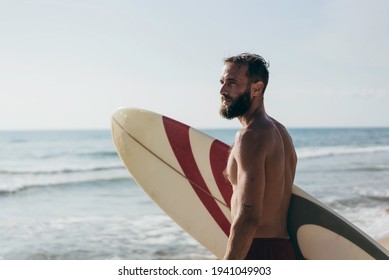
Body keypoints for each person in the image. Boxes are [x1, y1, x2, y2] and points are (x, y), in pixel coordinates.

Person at [219, 53, 297, 260]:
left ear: (257, 88)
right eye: (222, 82)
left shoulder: (251, 136)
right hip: (284, 249)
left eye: (232, 83)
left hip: (257, 250)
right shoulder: (280, 132)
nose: (223, 90)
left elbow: (248, 216)